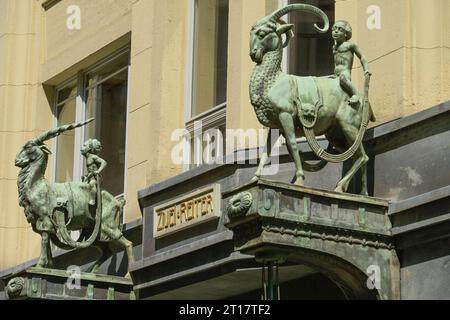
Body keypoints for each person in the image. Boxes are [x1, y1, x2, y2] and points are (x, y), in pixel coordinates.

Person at [332, 20, 371, 106]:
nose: (336, 31)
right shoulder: (334, 47)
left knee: (343, 79)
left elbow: (362, 56)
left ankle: (355, 94)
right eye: (334, 29)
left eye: (340, 29)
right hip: (335, 74)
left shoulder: (350, 45)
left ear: (346, 34)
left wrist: (366, 69)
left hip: (344, 73)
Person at [81, 139, 107, 206]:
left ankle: (92, 199)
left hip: (95, 178)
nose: (82, 148)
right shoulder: (87, 158)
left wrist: (98, 171)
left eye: (84, 146)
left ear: (89, 148)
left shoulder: (93, 157)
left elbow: (104, 162)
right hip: (90, 176)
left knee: (92, 184)